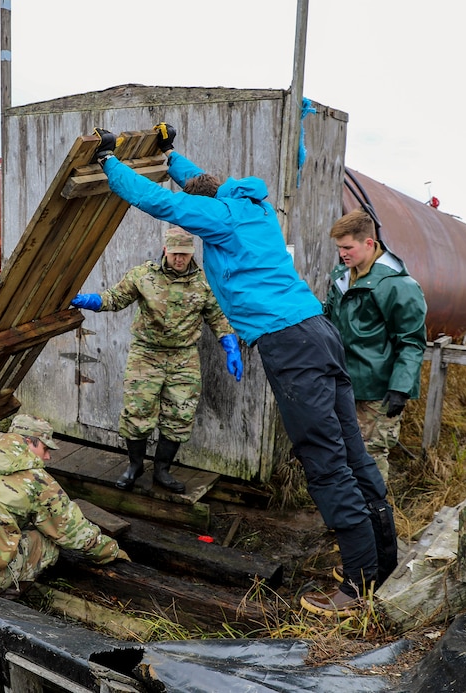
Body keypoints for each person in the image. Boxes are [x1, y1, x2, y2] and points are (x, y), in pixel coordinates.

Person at [94, 124, 396, 617]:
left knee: (324, 463)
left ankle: (357, 586)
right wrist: (171, 156)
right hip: (318, 333)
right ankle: (381, 562)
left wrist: (110, 162)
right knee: (353, 453)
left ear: (222, 198)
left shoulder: (225, 216)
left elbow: (161, 203)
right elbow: (199, 182)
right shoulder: (257, 209)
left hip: (290, 346)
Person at [71, 226, 242, 494]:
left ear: (191, 253)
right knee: (137, 411)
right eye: (175, 253)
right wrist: (90, 300)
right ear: (165, 250)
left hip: (183, 356)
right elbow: (116, 298)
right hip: (146, 353)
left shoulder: (203, 283)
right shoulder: (144, 276)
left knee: (180, 414)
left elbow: (217, 317)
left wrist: (230, 345)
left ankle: (162, 470)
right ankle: (135, 465)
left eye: (184, 255)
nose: (179, 259)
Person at [0, 414, 129, 597]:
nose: (48, 456)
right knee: (48, 542)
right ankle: (9, 595)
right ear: (30, 442)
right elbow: (76, 535)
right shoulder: (37, 480)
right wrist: (114, 552)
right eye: (46, 448)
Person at [326, 210, 428, 483]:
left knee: (370, 456)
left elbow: (411, 341)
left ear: (369, 243)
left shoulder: (398, 286)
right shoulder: (342, 277)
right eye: (339, 248)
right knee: (342, 453)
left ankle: (375, 521)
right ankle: (349, 518)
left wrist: (400, 388)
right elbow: (329, 318)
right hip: (344, 382)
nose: (343, 254)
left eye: (348, 247)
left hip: (378, 390)